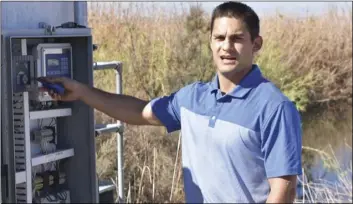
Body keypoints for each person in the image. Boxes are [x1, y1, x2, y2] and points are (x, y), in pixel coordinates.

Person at [41, 1, 302, 203]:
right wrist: (82, 92)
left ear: (256, 44)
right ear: (210, 42)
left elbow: (283, 192)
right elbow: (140, 112)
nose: (227, 47)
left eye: (237, 39)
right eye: (219, 38)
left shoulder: (275, 107)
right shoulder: (193, 97)